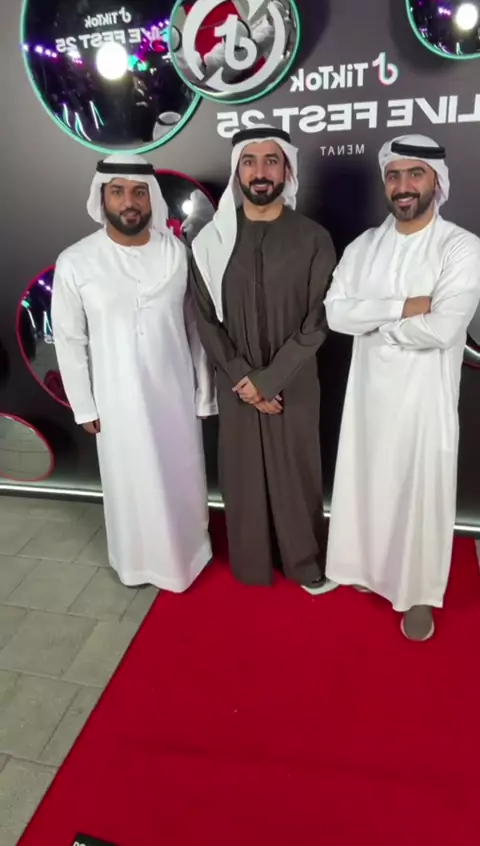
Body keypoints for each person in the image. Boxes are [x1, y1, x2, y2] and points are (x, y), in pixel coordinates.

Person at [325, 134, 480, 641]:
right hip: (368, 398)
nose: (403, 185)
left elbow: (443, 328)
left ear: (437, 180)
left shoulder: (460, 246)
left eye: (415, 173)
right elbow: (335, 314)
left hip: (424, 403)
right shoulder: (363, 246)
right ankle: (365, 567)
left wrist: (376, 323)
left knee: (421, 494)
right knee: (366, 481)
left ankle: (417, 595)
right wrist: (404, 307)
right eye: (394, 175)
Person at [51, 154, 217, 592]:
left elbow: (197, 328)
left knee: (181, 477)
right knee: (129, 484)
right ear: (102, 197)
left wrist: (204, 393)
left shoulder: (177, 253)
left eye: (139, 192)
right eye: (118, 191)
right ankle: (137, 563)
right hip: (116, 400)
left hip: (174, 394)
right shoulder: (76, 261)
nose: (129, 202)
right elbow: (68, 338)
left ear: (152, 198)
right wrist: (83, 405)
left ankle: (188, 556)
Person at [189, 125, 337, 592]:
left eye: (271, 161)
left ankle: (304, 562)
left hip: (294, 381)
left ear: (286, 169)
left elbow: (319, 320)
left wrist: (269, 380)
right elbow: (205, 318)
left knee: (297, 472)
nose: (260, 172)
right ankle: (251, 564)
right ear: (238, 172)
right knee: (243, 476)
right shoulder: (210, 242)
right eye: (249, 162)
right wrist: (244, 379)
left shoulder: (313, 238)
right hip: (237, 384)